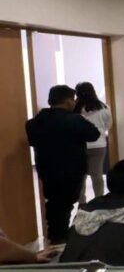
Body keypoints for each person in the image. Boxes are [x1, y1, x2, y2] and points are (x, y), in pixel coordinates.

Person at [26, 85, 101, 245]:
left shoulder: (34, 122)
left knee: (54, 202)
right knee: (65, 204)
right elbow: (94, 134)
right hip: (71, 169)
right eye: (73, 100)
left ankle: (55, 235)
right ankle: (59, 237)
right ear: (67, 101)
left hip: (46, 169)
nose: (74, 103)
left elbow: (32, 141)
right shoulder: (74, 120)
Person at [74, 82, 113, 204]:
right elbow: (108, 125)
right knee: (97, 175)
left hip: (79, 146)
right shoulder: (104, 108)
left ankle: (82, 203)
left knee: (81, 177)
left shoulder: (75, 109)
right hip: (99, 145)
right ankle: (99, 201)